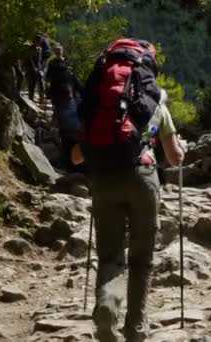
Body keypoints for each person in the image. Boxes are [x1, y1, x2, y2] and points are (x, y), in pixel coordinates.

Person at [72, 38, 185, 342]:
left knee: (110, 256)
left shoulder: (99, 104)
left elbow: (76, 156)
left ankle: (107, 304)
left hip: (105, 182)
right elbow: (174, 157)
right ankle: (135, 330)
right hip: (144, 179)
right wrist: (179, 149)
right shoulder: (155, 102)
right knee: (142, 261)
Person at [46, 45, 84, 172]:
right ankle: (70, 160)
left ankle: (63, 150)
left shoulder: (52, 64)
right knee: (70, 125)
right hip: (68, 96)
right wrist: (84, 92)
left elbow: (48, 78)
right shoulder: (67, 65)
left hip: (58, 96)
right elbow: (74, 80)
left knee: (63, 122)